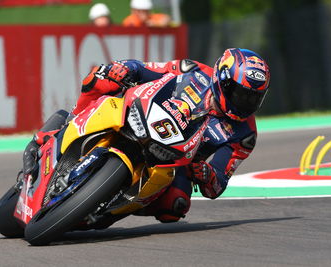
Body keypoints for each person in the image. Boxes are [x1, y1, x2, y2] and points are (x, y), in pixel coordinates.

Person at [23, 48, 270, 224]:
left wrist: (206, 175)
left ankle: (107, 208)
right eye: (239, 93)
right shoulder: (191, 71)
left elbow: (217, 184)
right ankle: (63, 125)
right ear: (222, 80)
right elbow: (146, 70)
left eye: (253, 98)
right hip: (144, 117)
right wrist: (124, 68)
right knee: (100, 78)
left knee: (175, 207)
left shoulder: (245, 134)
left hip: (177, 159)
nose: (245, 103)